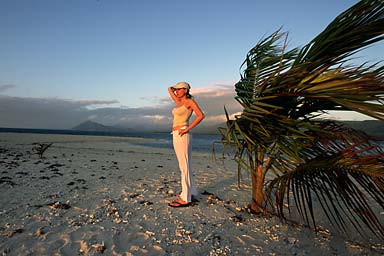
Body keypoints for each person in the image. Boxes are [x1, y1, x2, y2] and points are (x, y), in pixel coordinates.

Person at [167, 81, 205, 207]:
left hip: (183, 134)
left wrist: (187, 129)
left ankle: (185, 198)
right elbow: (169, 89)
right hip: (176, 134)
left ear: (185, 90)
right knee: (185, 165)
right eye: (176, 89)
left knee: (184, 166)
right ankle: (190, 191)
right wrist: (173, 88)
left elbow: (200, 116)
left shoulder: (190, 102)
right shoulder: (178, 102)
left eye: (179, 89)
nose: (176, 91)